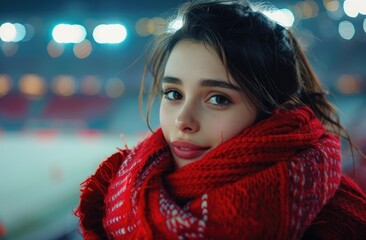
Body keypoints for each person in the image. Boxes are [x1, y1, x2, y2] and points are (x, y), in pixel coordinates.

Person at [75, 0, 366, 239]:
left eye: (218, 99)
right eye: (173, 93)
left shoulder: (339, 224)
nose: (183, 121)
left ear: (274, 111)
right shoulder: (124, 191)